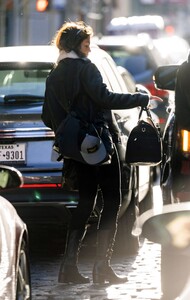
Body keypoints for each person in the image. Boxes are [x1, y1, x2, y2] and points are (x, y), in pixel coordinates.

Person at [42, 20, 161, 285]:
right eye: (86, 44)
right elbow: (105, 98)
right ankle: (101, 268)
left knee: (85, 203)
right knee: (112, 201)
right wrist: (140, 99)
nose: (89, 48)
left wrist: (70, 132)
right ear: (76, 45)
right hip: (99, 145)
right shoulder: (87, 68)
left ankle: (68, 268)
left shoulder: (55, 73)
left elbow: (46, 116)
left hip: (75, 149)